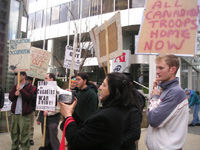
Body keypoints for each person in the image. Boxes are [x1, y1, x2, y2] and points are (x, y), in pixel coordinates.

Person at [58, 72, 140, 150]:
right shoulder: (108, 111)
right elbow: (86, 126)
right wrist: (72, 112)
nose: (100, 87)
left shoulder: (107, 116)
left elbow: (77, 140)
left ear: (114, 90)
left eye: (104, 85)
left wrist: (68, 116)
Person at [145, 54, 189, 150]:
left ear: (173, 70)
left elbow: (153, 119)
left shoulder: (176, 92)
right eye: (157, 68)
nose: (157, 72)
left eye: (161, 68)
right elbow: (151, 112)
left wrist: (155, 97)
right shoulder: (163, 90)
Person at [9, 72, 34, 150]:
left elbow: (30, 97)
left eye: (19, 75)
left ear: (24, 76)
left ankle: (25, 148)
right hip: (15, 113)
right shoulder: (15, 86)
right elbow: (10, 97)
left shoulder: (29, 86)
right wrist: (15, 94)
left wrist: (22, 90)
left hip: (24, 114)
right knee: (14, 132)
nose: (17, 76)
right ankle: (14, 147)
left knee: (24, 133)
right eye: (16, 75)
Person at [37, 73, 61, 150]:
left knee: (53, 137)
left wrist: (49, 112)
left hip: (53, 118)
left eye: (46, 78)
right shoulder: (42, 88)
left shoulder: (58, 90)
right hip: (44, 117)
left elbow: (59, 106)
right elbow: (40, 104)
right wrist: (38, 117)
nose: (44, 80)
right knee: (45, 136)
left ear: (51, 79)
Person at [26, 76, 36, 146]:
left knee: (31, 124)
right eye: (27, 80)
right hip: (24, 108)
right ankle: (23, 137)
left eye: (29, 80)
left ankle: (30, 138)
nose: (28, 81)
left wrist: (31, 94)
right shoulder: (23, 87)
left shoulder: (34, 88)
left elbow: (36, 97)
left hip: (31, 108)